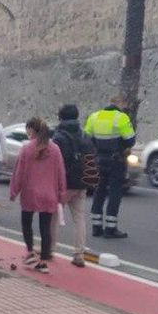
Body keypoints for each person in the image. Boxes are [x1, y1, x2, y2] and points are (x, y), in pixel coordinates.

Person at [9, 118, 66, 274]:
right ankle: (43, 260)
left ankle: (30, 252)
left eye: (28, 129)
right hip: (49, 195)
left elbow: (19, 173)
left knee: (26, 223)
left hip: (30, 193)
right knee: (45, 227)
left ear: (32, 131)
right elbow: (61, 173)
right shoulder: (55, 150)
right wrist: (61, 193)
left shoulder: (27, 149)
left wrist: (14, 190)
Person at [84, 96, 136, 239]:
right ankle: (110, 229)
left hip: (99, 160)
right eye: (124, 103)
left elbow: (87, 137)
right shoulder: (121, 117)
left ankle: (96, 227)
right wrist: (121, 148)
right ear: (120, 104)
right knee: (114, 193)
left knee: (99, 192)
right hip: (116, 161)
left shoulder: (94, 117)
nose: (125, 106)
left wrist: (97, 149)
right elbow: (130, 140)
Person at [52, 104, 91, 266]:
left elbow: (54, 161)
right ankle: (79, 254)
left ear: (61, 117)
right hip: (81, 182)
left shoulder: (58, 137)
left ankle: (49, 249)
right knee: (79, 218)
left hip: (64, 182)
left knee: (53, 215)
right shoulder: (85, 135)